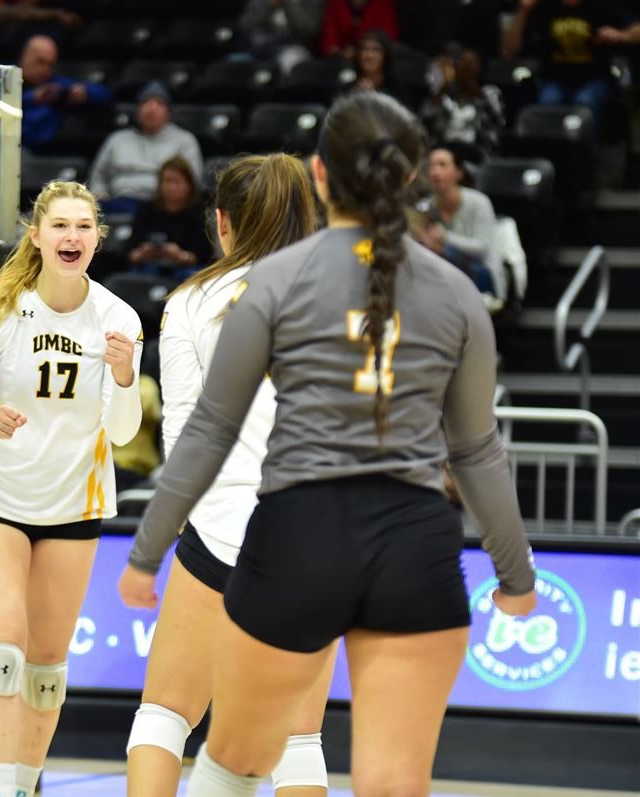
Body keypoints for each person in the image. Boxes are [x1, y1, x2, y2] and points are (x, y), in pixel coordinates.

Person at [129, 92, 537, 796]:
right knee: (385, 777)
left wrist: (146, 550)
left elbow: (208, 429)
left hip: (294, 534)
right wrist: (517, 572)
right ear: (411, 176)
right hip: (414, 542)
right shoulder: (456, 290)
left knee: (232, 754)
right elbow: (476, 452)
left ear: (322, 176)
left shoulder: (267, 284)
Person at [118, 154, 331, 797]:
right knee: (299, 739)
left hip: (222, 525)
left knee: (164, 715)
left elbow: (183, 428)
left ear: (221, 223)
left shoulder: (190, 301)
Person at [0, 180, 143, 797]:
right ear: (36, 235)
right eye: (60, 225)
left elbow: (123, 431)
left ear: (97, 239)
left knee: (44, 674)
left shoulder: (118, 318)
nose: (72, 237)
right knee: (1, 652)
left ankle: (24, 784)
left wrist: (124, 375)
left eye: (83, 227)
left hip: (74, 504)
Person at [0, 34, 112, 152]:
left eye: (50, 65)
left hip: (27, 152)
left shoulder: (53, 84)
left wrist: (84, 93)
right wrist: (32, 98)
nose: (45, 70)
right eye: (40, 62)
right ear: (24, 56)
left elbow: (104, 93)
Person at [502, 0, 640, 121]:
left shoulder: (603, 5)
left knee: (584, 104)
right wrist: (523, 11)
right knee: (548, 104)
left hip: (594, 78)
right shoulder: (544, 6)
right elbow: (509, 51)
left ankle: (586, 150)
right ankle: (550, 150)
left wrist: (621, 35)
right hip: (554, 79)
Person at [88, 82, 203, 216]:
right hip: (119, 202)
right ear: (137, 110)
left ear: (169, 112)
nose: (151, 108)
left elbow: (192, 179)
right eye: (145, 103)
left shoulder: (184, 140)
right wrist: (101, 194)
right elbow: (99, 175)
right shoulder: (117, 140)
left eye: (159, 103)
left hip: (161, 205)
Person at [424, 144, 503, 300]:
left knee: (447, 254)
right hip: (441, 275)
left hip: (479, 273)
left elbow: (483, 249)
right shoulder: (425, 206)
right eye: (431, 166)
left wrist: (445, 238)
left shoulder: (479, 202)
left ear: (458, 172)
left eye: (442, 165)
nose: (435, 172)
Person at [126, 157, 213, 277]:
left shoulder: (199, 211)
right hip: (148, 267)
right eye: (167, 181)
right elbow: (130, 254)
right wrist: (143, 252)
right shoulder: (146, 209)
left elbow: (204, 256)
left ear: (189, 185)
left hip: (185, 270)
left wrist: (180, 256)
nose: (171, 187)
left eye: (177, 182)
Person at [421, 47, 505, 159]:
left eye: (470, 64)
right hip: (445, 155)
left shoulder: (490, 94)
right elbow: (426, 127)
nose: (466, 68)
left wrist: (469, 84)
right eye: (461, 64)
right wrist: (442, 88)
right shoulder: (443, 97)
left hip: (478, 155)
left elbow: (497, 123)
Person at [319, 0, 398, 58]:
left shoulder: (383, 3)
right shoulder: (336, 3)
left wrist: (359, 52)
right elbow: (329, 39)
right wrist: (338, 52)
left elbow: (389, 37)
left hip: (373, 58)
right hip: (340, 59)